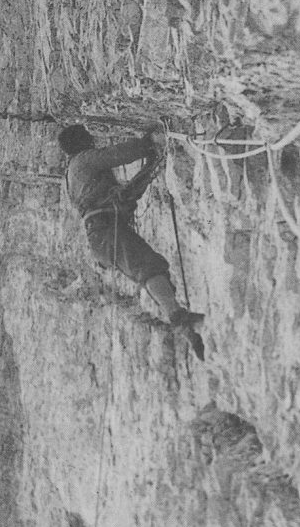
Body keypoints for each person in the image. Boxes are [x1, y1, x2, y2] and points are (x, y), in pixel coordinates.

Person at [59, 124, 204, 358]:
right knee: (148, 268)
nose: (92, 140)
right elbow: (118, 155)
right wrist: (148, 143)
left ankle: (187, 330)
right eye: (88, 137)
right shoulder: (83, 161)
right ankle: (180, 320)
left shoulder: (73, 173)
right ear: (81, 142)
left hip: (103, 234)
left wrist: (149, 167)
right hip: (106, 230)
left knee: (154, 270)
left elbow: (120, 195)